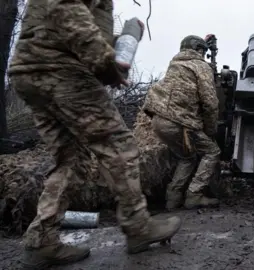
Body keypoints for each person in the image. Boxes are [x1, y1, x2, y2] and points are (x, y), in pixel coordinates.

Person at [7, 0, 182, 268]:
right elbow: (66, 7)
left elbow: (72, 25)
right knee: (118, 144)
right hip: (60, 70)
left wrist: (119, 41)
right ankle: (137, 226)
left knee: (70, 160)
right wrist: (104, 62)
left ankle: (41, 240)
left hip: (32, 69)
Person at [142, 35, 221, 210]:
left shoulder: (175, 65)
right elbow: (210, 102)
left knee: (187, 158)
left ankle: (172, 198)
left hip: (158, 120)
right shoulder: (200, 66)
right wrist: (210, 129)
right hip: (180, 122)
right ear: (199, 50)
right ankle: (194, 194)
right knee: (212, 152)